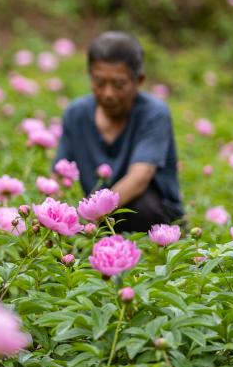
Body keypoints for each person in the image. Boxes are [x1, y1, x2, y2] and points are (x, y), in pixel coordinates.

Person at [54, 31, 183, 232]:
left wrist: (88, 219)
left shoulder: (154, 113)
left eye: (119, 84)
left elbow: (140, 178)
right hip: (98, 222)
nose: (108, 93)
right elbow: (59, 176)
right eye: (99, 82)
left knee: (139, 208)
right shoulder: (76, 114)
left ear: (139, 81)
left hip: (153, 220)